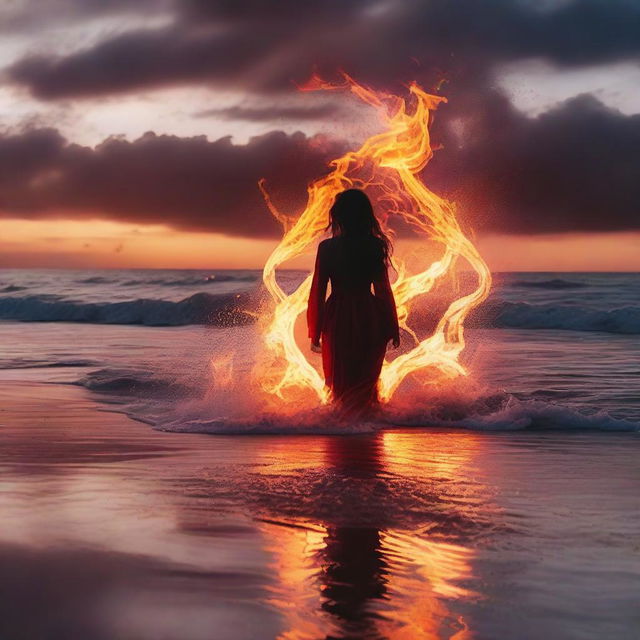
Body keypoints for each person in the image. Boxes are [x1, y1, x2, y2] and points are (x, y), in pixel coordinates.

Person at [307, 188, 399, 416]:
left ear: (338, 216)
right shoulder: (375, 246)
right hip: (370, 314)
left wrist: (315, 330)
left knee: (341, 378)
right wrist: (391, 325)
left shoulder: (327, 248)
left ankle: (346, 429)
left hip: (338, 315)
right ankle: (367, 429)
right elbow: (382, 290)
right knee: (367, 379)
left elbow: (318, 290)